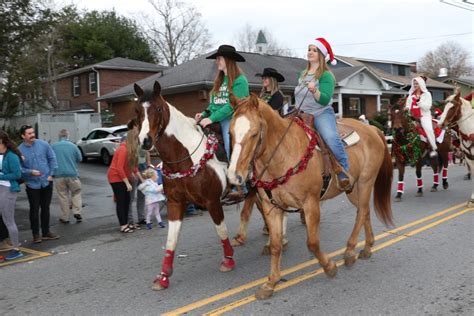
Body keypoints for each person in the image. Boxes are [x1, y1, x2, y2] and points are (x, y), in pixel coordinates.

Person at [295, 37, 352, 191]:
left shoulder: (326, 76)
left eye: (314, 50)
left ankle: (343, 170)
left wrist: (315, 90)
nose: (310, 52)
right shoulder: (302, 74)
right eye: (309, 49)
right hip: (301, 114)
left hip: (320, 113)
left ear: (321, 54)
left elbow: (325, 99)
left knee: (330, 138)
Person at [195, 44, 249, 161]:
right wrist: (204, 114)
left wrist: (211, 119)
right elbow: (214, 103)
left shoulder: (240, 81)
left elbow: (232, 105)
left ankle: (233, 169)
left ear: (228, 60)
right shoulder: (219, 80)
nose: (216, 61)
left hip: (233, 118)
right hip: (217, 118)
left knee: (230, 143)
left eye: (219, 58)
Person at [18, 125, 59, 243]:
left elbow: (52, 159)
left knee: (46, 208)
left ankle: (46, 232)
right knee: (34, 209)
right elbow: (19, 168)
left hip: (46, 182)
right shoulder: (19, 150)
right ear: (23, 136)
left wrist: (52, 174)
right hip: (32, 184)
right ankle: (36, 234)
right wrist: (30, 172)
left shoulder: (43, 144)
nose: (32, 135)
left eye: (33, 132)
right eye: (29, 133)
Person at [107, 126, 139, 233]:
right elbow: (119, 168)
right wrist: (127, 182)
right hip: (115, 177)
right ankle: (123, 225)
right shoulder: (123, 149)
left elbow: (131, 166)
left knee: (126, 200)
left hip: (122, 177)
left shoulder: (128, 150)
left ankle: (126, 223)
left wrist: (139, 176)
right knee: (121, 201)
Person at [0, 131, 24, 260]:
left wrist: (1, 176)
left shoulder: (12, 156)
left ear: (2, 141)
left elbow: (17, 175)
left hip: (9, 189)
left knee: (9, 220)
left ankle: (16, 249)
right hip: (1, 188)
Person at [51, 129, 83, 224]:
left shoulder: (53, 146)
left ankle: (65, 217)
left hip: (58, 175)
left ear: (59, 136)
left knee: (63, 195)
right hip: (72, 173)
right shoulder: (73, 146)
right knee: (76, 192)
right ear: (67, 136)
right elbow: (79, 158)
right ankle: (77, 211)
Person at [405, 76, 438, 158]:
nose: (415, 85)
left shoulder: (427, 94)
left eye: (417, 84)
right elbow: (408, 105)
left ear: (421, 84)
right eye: (414, 84)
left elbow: (427, 107)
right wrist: (406, 108)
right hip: (412, 115)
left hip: (424, 115)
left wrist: (419, 102)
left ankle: (433, 148)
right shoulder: (411, 95)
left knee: (428, 129)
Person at [126, 119, 148, 227]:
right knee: (131, 195)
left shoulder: (141, 138)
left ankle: (141, 217)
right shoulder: (128, 139)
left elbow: (145, 153)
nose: (138, 128)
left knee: (142, 194)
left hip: (142, 166)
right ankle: (129, 219)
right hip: (133, 168)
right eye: (137, 126)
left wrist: (148, 165)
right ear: (133, 127)